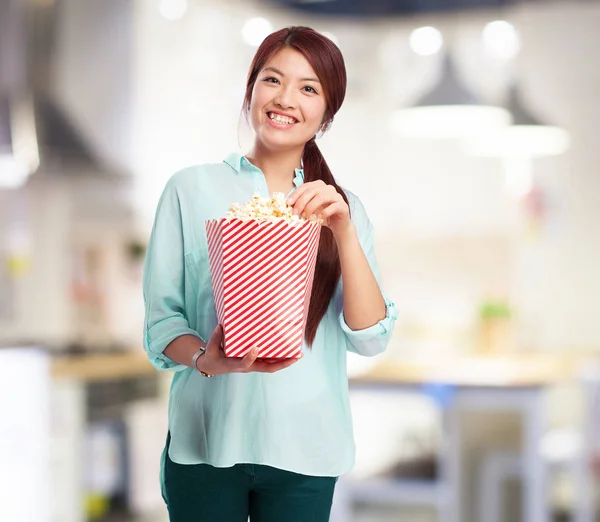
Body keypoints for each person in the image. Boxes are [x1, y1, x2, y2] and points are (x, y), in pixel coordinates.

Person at [143, 25, 398, 522]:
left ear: (328, 111)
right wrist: (207, 359)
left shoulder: (343, 208)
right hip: (205, 442)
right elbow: (162, 324)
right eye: (272, 79)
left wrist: (342, 229)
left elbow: (370, 339)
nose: (285, 99)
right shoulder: (188, 190)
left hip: (306, 448)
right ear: (251, 88)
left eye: (309, 88)